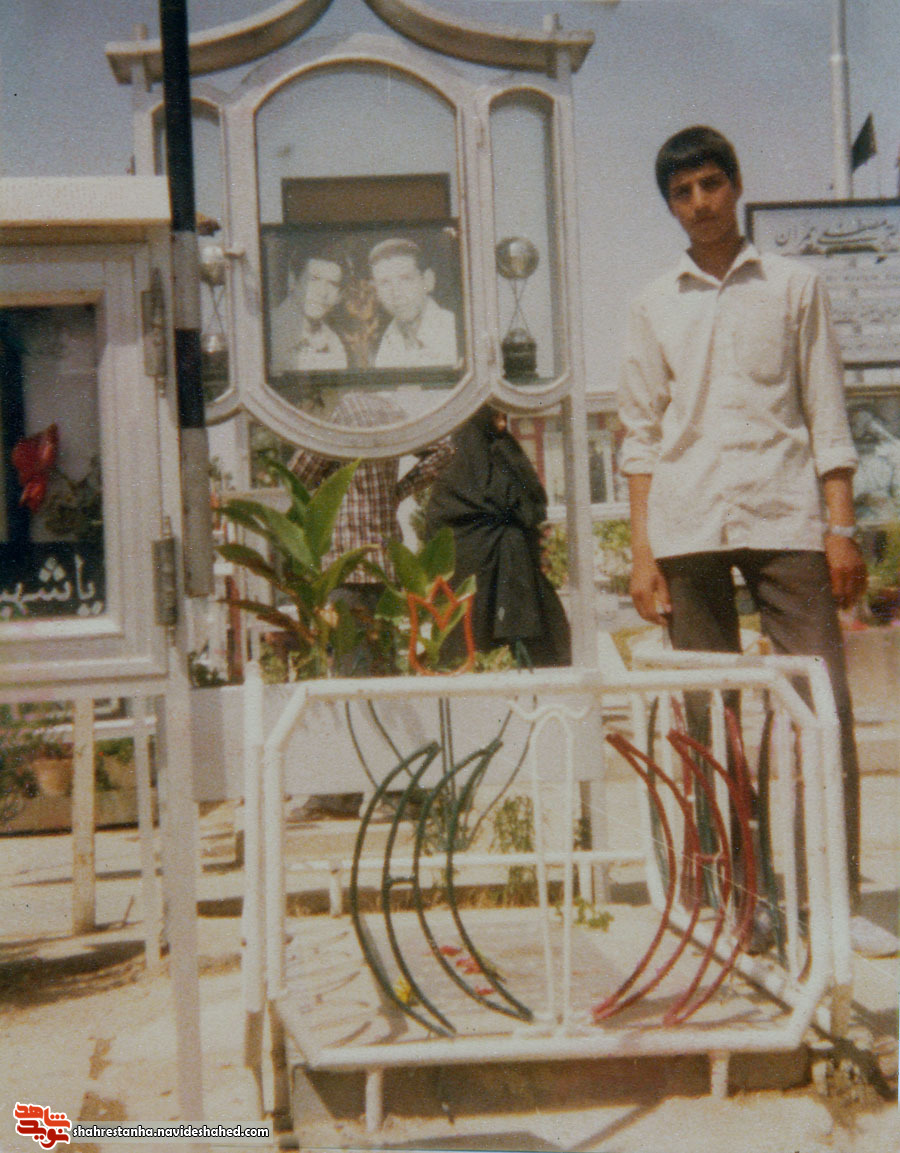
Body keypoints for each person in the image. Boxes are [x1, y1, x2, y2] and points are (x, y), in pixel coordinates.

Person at [618, 125, 895, 956]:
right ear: (670, 206)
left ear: (735, 186)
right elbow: (639, 436)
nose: (700, 203)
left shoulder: (795, 286)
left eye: (711, 184)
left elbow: (827, 414)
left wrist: (839, 526)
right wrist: (642, 552)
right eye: (682, 192)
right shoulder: (653, 304)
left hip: (785, 518)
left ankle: (834, 898)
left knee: (822, 704)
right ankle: (740, 899)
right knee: (712, 715)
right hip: (688, 524)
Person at [289, 390, 454, 819]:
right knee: (380, 679)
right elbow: (445, 449)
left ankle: (364, 791)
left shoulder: (338, 418)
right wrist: (397, 491)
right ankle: (377, 788)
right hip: (383, 567)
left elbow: (297, 475)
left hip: (344, 568)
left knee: (348, 682)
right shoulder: (390, 411)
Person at [424, 406, 571, 668]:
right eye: (496, 418)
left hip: (512, 576)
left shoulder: (500, 451)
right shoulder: (457, 469)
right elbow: (521, 505)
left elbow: (529, 504)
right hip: (474, 586)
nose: (502, 426)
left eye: (505, 418)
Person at [369, 238, 458, 369]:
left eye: (406, 279)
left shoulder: (454, 332)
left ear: (428, 280)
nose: (396, 293)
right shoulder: (387, 341)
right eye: (384, 283)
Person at [269, 247, 348, 374]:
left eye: (333, 284)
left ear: (340, 296)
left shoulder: (334, 344)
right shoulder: (266, 333)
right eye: (314, 279)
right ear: (293, 281)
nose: (323, 292)